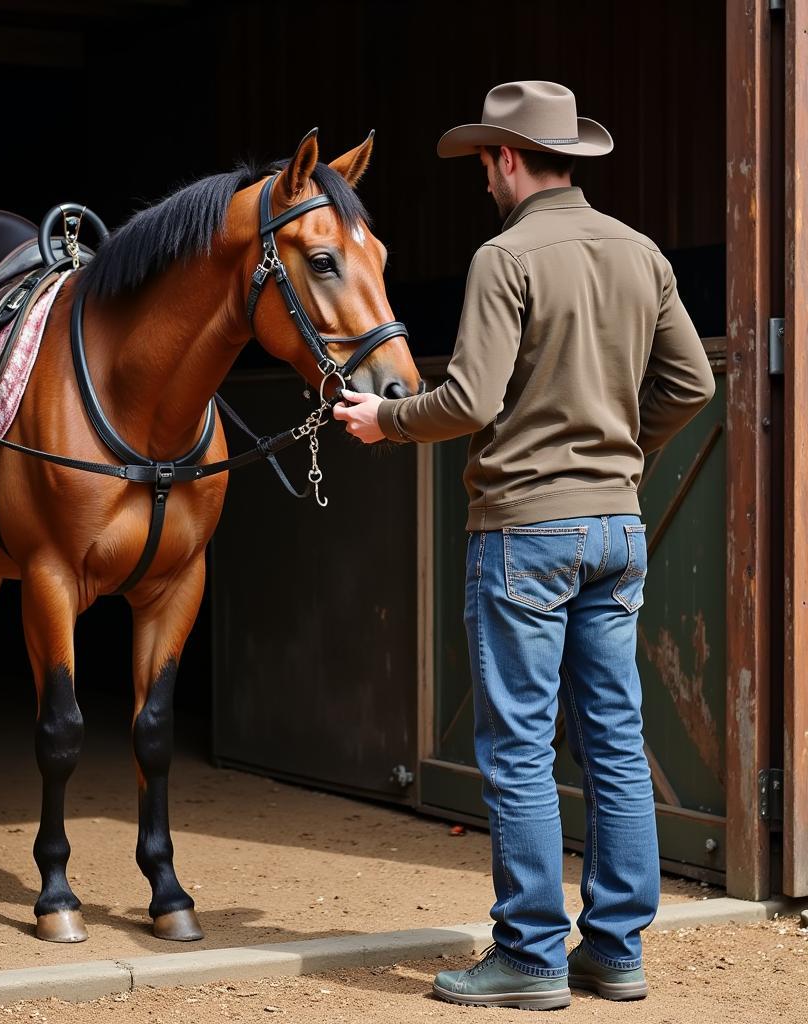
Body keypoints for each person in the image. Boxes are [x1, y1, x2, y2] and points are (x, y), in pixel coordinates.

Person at [334, 80, 715, 1010]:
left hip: (525, 532)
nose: (483, 182)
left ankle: (532, 956)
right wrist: (620, 454)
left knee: (518, 749)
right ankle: (615, 951)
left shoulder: (505, 257)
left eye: (483, 165)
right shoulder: (640, 252)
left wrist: (386, 418)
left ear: (507, 158)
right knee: (616, 742)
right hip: (617, 528)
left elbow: (468, 401)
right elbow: (694, 383)